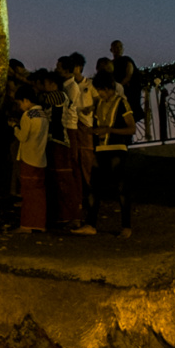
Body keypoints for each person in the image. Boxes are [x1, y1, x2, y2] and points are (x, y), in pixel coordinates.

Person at [46, 65, 94, 234]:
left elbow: (54, 118)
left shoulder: (57, 97)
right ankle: (68, 215)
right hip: (63, 139)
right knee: (65, 178)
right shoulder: (63, 96)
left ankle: (72, 216)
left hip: (62, 140)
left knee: (65, 178)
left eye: (47, 84)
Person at [91, 68, 136, 236]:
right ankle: (90, 224)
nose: (100, 94)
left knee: (121, 188)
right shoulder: (100, 104)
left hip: (117, 150)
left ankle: (126, 226)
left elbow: (131, 129)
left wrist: (110, 129)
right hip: (101, 149)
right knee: (94, 187)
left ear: (108, 89)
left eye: (101, 91)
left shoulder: (122, 103)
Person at [62, 52, 97, 226]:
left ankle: (89, 194)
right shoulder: (68, 86)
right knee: (75, 160)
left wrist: (90, 109)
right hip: (75, 125)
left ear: (80, 67)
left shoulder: (88, 84)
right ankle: (81, 197)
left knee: (86, 160)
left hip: (86, 125)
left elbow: (97, 100)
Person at [11, 79, 49, 232]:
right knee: (39, 194)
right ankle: (40, 224)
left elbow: (22, 137)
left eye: (20, 103)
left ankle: (26, 225)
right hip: (41, 157)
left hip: (29, 158)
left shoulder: (28, 115)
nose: (20, 107)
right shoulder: (43, 114)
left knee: (27, 194)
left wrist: (14, 127)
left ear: (26, 100)